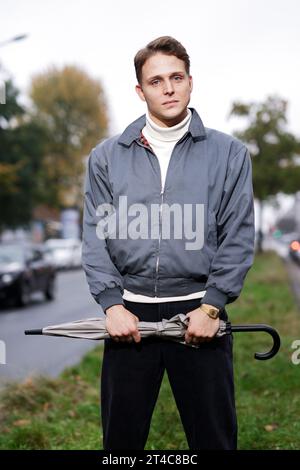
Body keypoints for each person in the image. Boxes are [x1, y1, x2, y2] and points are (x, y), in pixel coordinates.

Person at [82, 36, 255, 450]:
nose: (169, 88)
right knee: (121, 446)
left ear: (191, 82)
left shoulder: (229, 153)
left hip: (201, 314)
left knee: (214, 440)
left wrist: (212, 306)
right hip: (129, 316)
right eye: (156, 81)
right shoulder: (107, 157)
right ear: (141, 91)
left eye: (176, 77)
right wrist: (112, 305)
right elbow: (95, 235)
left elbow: (238, 235)